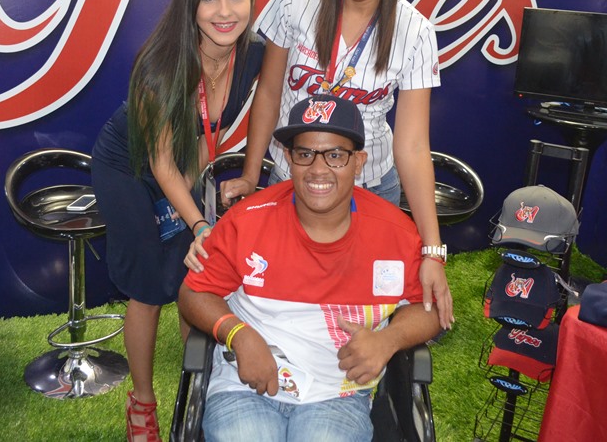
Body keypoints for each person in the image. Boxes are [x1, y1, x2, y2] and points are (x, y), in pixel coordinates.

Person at [204, 0, 453, 329]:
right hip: (294, 178)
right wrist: (251, 173)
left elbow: (413, 146)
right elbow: (269, 93)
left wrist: (432, 250)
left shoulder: (415, 31)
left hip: (370, 186)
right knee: (288, 309)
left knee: (365, 319)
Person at [179, 95, 441, 441]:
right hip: (244, 386)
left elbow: (429, 308)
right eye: (305, 154)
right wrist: (237, 334)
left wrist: (388, 340)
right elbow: (193, 292)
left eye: (335, 155)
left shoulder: (395, 232)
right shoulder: (246, 221)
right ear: (289, 159)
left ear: (358, 162)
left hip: (337, 394)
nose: (318, 169)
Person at [91, 0, 263, 442]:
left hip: (187, 164)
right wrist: (199, 221)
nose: (225, 11)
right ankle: (142, 404)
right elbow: (159, 163)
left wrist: (199, 208)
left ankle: (197, 395)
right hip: (129, 166)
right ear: (191, 2)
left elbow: (210, 134)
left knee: (194, 279)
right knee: (149, 287)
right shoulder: (160, 64)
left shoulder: (253, 55)